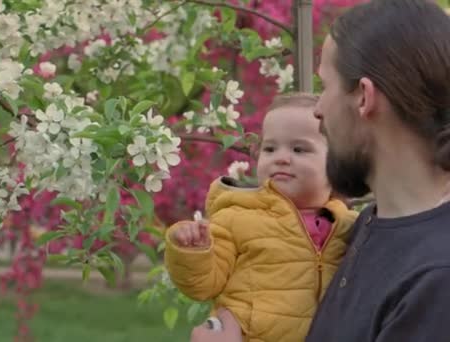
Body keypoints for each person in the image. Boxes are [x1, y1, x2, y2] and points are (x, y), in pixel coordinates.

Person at [190, 0, 450, 341]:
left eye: (324, 86)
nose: (317, 110)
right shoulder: (361, 228)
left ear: (363, 97)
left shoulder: (436, 281)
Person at [165, 93, 357, 341]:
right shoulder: (237, 217)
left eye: (299, 149)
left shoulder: (349, 226)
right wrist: (193, 252)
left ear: (337, 164)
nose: (281, 157)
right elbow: (202, 285)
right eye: (270, 148)